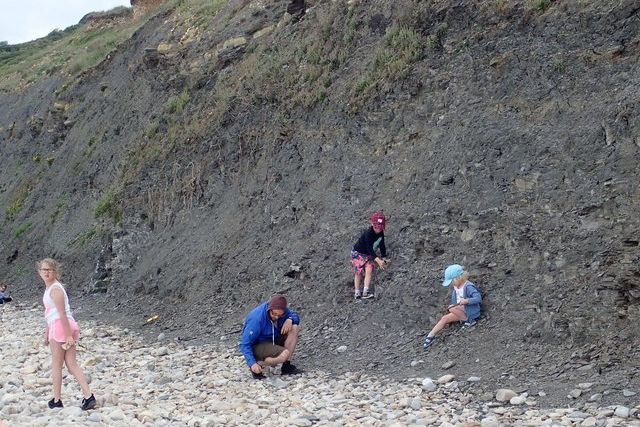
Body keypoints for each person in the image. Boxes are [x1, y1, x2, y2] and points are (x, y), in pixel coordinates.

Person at [37, 258, 96, 410]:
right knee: (71, 364)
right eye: (44, 270)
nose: (46, 272)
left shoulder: (55, 289)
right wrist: (47, 331)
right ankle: (88, 396)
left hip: (61, 327)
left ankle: (57, 399)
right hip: (62, 325)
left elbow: (61, 313)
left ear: (55, 272)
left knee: (57, 365)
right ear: (39, 272)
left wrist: (68, 335)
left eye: (49, 270)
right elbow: (50, 312)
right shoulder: (51, 288)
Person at [239, 293, 301, 379]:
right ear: (269, 309)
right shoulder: (257, 319)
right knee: (284, 354)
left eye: (280, 315)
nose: (276, 317)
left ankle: (286, 366)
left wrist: (290, 319)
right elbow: (244, 344)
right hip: (258, 345)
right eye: (274, 314)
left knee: (294, 327)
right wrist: (251, 363)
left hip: (273, 339)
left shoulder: (282, 311)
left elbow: (295, 316)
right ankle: (258, 364)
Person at [423, 264, 482, 349]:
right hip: (460, 310)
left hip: (470, 311)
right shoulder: (456, 287)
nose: (451, 283)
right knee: (444, 318)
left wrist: (466, 301)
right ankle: (430, 335)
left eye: (452, 281)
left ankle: (470, 320)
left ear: (459, 278)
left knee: (453, 308)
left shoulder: (468, 286)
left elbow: (478, 298)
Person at [350, 211, 391, 299]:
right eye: (377, 227)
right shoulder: (368, 233)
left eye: (381, 228)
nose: (378, 230)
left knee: (369, 269)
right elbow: (370, 248)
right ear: (372, 224)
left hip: (368, 255)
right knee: (358, 273)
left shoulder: (380, 233)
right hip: (358, 253)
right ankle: (357, 292)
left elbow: (382, 245)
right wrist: (378, 260)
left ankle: (365, 291)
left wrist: (384, 257)